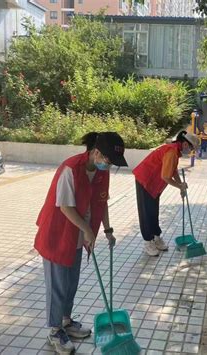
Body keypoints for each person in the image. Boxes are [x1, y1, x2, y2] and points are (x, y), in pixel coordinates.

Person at [34, 132, 128, 354]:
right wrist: (87, 230)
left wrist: (108, 230)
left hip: (78, 237)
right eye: (108, 160)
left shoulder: (101, 172)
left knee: (71, 283)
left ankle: (65, 320)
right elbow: (65, 207)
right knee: (57, 286)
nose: (109, 166)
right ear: (96, 153)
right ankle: (54, 330)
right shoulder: (70, 169)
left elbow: (102, 201)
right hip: (57, 235)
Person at [133, 130, 199, 256]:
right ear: (185, 144)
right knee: (146, 211)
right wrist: (179, 185)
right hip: (145, 180)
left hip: (153, 183)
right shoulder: (171, 152)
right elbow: (166, 177)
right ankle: (148, 242)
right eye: (191, 148)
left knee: (153, 210)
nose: (191, 151)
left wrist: (181, 187)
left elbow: (173, 171)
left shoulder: (175, 152)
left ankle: (156, 237)